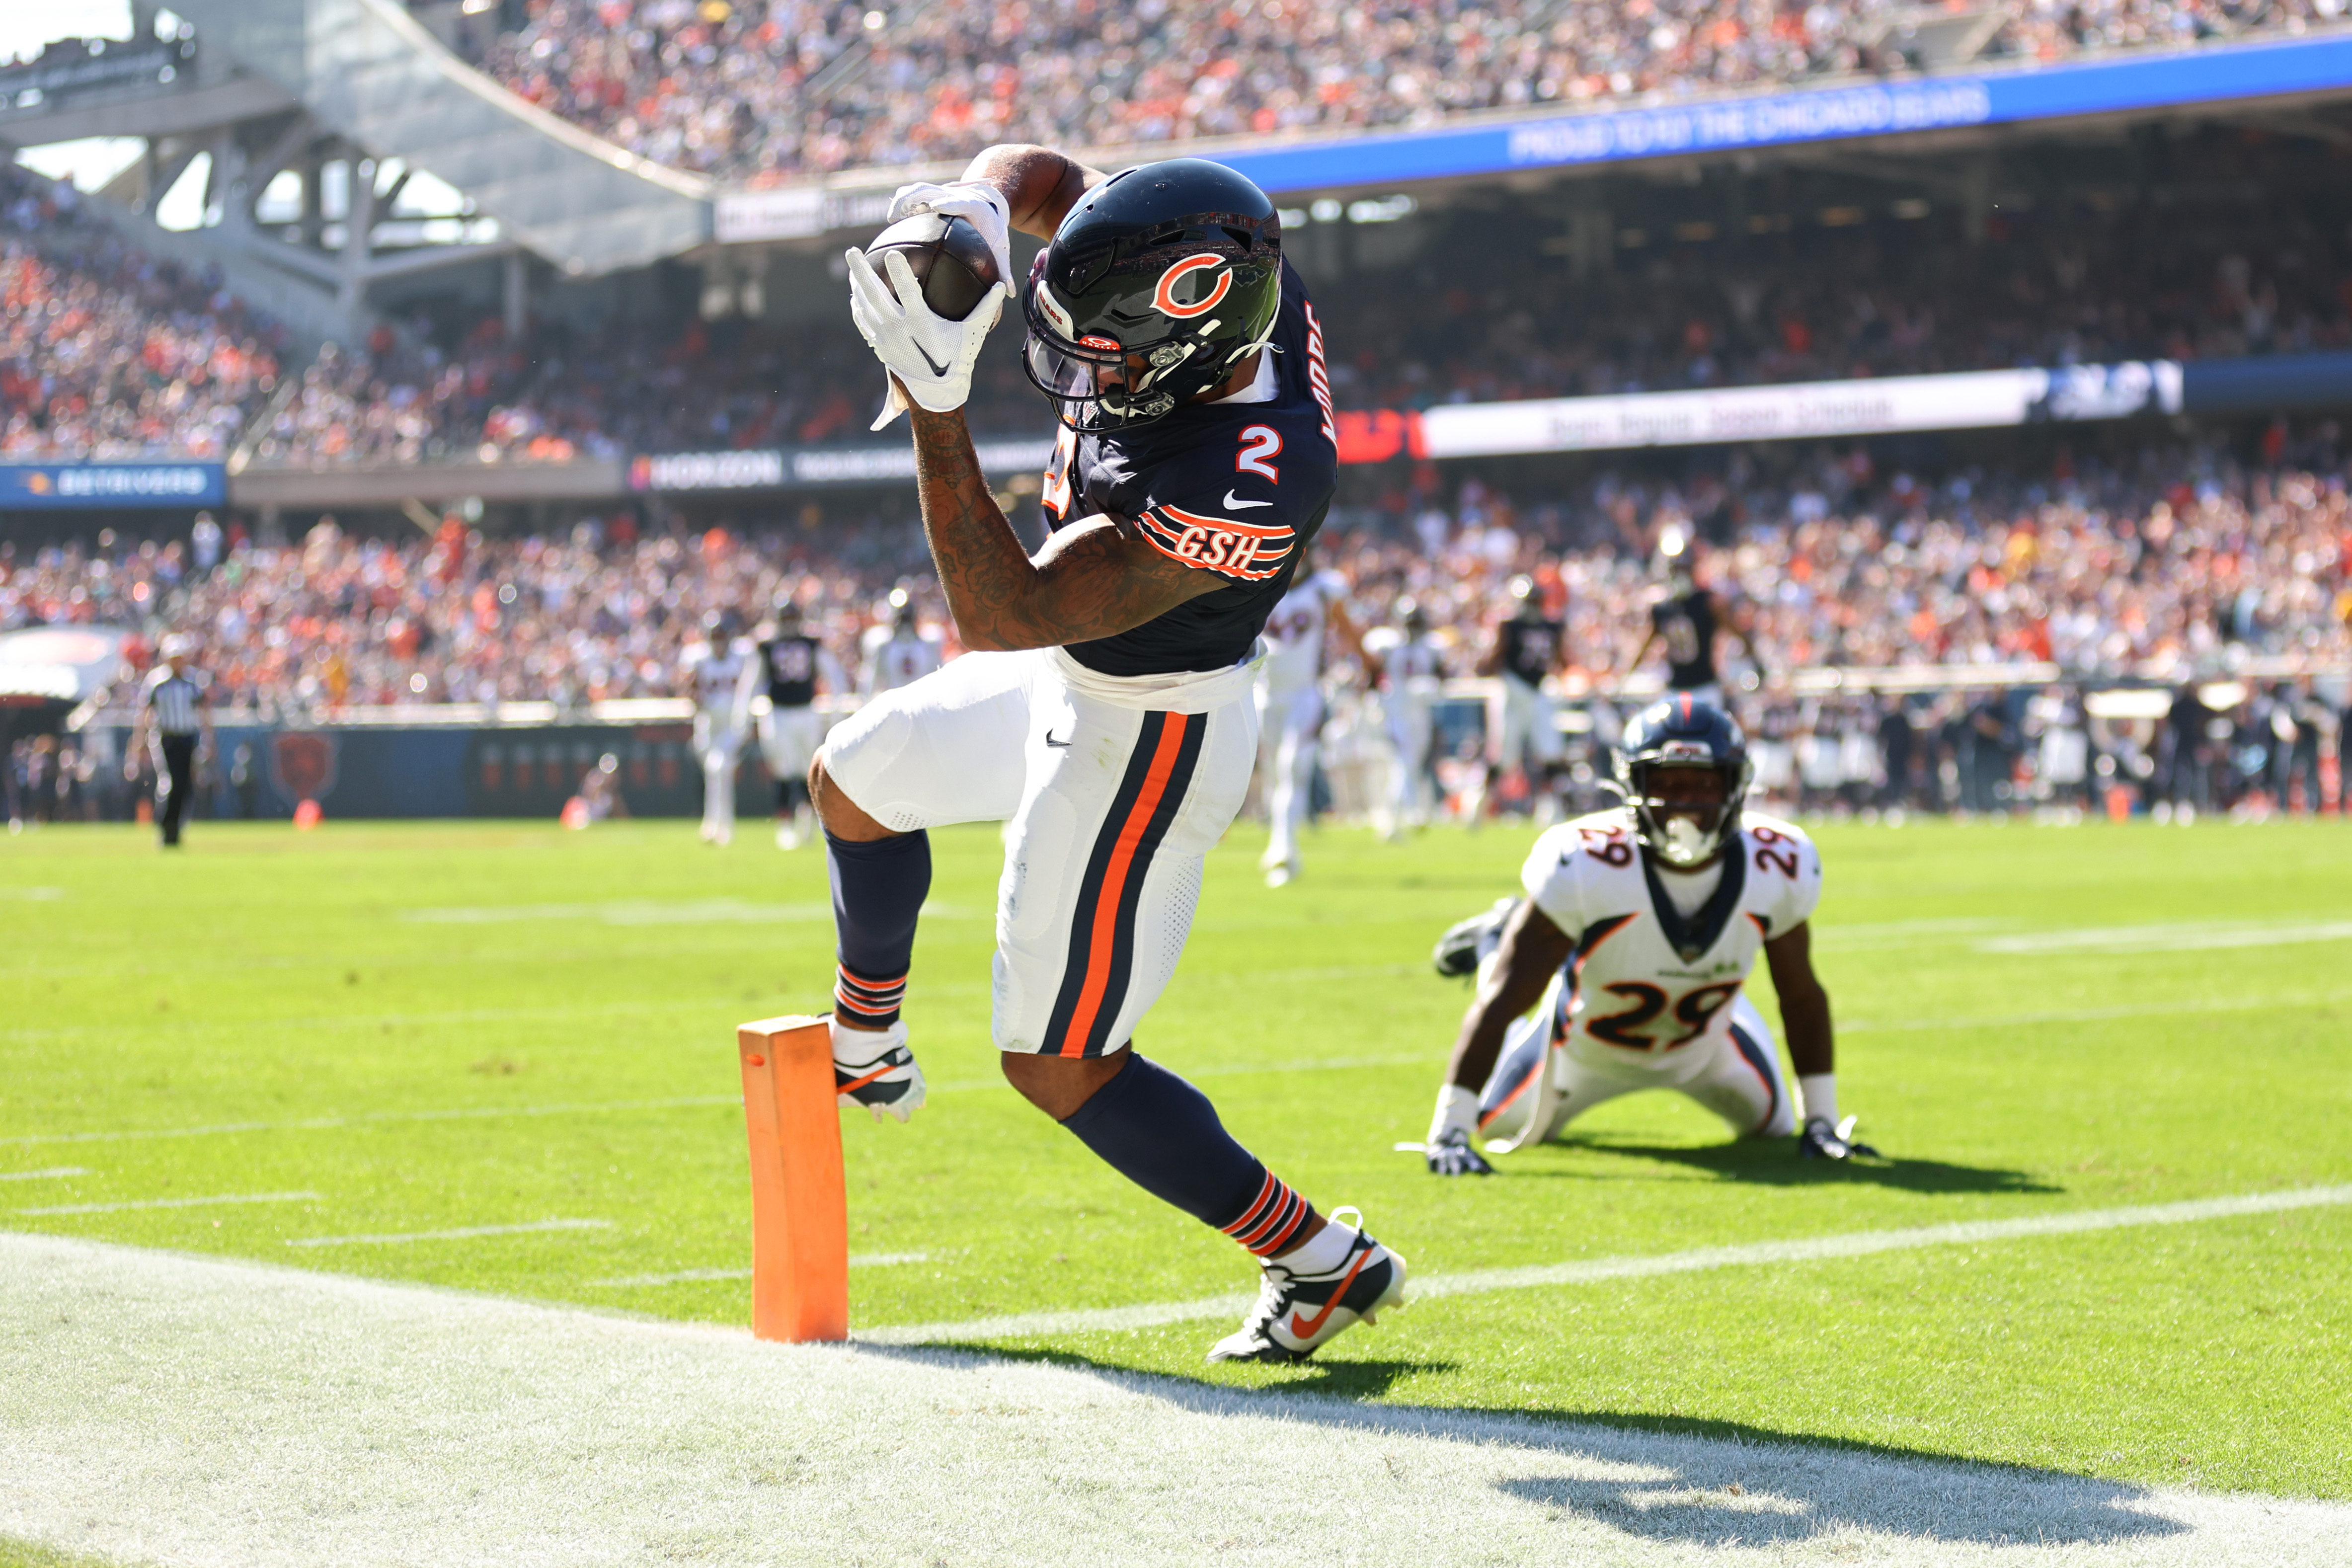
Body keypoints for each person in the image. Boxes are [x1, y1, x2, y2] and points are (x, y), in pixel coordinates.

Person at [817, 147, 1404, 1363]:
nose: (1081, 372)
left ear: (1190, 354)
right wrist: (973, 203)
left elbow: (1001, 610)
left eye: (1112, 356)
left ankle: (1316, 1256)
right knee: (855, 776)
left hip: (1147, 736)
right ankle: (867, 1039)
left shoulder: (1257, 473)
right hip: (1072, 681)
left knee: (1059, 1062)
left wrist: (937, 410)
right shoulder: (1232, 277)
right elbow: (1062, 187)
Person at [1415, 695, 1875, 1174]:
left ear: (1735, 787)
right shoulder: (1584, 860)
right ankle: (1498, 941)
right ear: (1631, 785)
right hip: (1582, 1053)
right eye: (1667, 783)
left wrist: (1822, 1122)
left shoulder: (1779, 861)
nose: (1684, 804)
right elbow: (1505, 999)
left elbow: (1801, 996)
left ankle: (1811, 1117)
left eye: (1703, 785)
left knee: (1777, 1130)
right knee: (1494, 1121)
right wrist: (1449, 1131)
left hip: (1707, 1048)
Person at [1252, 543, 1363, 886]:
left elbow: (1348, 630)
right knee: (1273, 772)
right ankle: (1277, 843)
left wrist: (1369, 665)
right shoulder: (1259, 578)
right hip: (1263, 693)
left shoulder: (1325, 588)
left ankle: (1285, 850)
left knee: (1293, 768)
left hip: (1305, 694)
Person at [736, 595, 844, 849]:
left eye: (791, 618)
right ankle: (785, 825)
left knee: (808, 770)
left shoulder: (811, 644)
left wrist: (836, 710)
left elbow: (834, 675)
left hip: (807, 711)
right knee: (782, 768)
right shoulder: (767, 644)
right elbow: (751, 681)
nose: (788, 623)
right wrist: (742, 714)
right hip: (778, 713)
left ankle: (806, 821)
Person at [1473, 573, 1568, 825]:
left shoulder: (1553, 626)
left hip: (1538, 691)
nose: (1534, 606)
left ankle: (1551, 807)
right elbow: (1495, 659)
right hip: (1512, 691)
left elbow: (1562, 660)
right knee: (1504, 754)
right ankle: (1481, 802)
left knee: (1550, 750)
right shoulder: (1511, 626)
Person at [1625, 541, 1765, 711]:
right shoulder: (1667, 607)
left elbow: (1644, 646)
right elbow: (1646, 644)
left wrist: (1626, 672)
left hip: (1698, 687)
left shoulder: (1704, 603)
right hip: (1684, 688)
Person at [1363, 595, 1445, 837]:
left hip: (1419, 714)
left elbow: (1443, 678)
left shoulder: (1431, 647)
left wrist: (1430, 687)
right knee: (1404, 763)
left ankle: (1391, 821)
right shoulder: (1388, 645)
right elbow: (1373, 675)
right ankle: (1411, 811)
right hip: (1396, 712)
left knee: (1410, 764)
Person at [127, 634, 215, 848]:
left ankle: (175, 829)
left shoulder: (194, 682)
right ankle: (166, 827)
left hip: (187, 737)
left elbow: (204, 712)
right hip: (165, 738)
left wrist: (209, 740)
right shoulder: (157, 682)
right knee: (170, 782)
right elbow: (145, 714)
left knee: (184, 785)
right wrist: (138, 744)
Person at [680, 611, 750, 845]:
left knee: (719, 768)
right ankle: (715, 824)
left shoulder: (742, 656)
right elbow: (687, 690)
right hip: (708, 724)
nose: (718, 642)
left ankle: (720, 827)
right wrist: (694, 695)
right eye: (715, 637)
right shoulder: (696, 658)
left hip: (733, 723)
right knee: (714, 772)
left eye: (722, 637)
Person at [858, 587, 942, 696]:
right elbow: (871, 681)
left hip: (920, 701)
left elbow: (938, 679)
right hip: (896, 703)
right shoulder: (884, 648)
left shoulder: (929, 645)